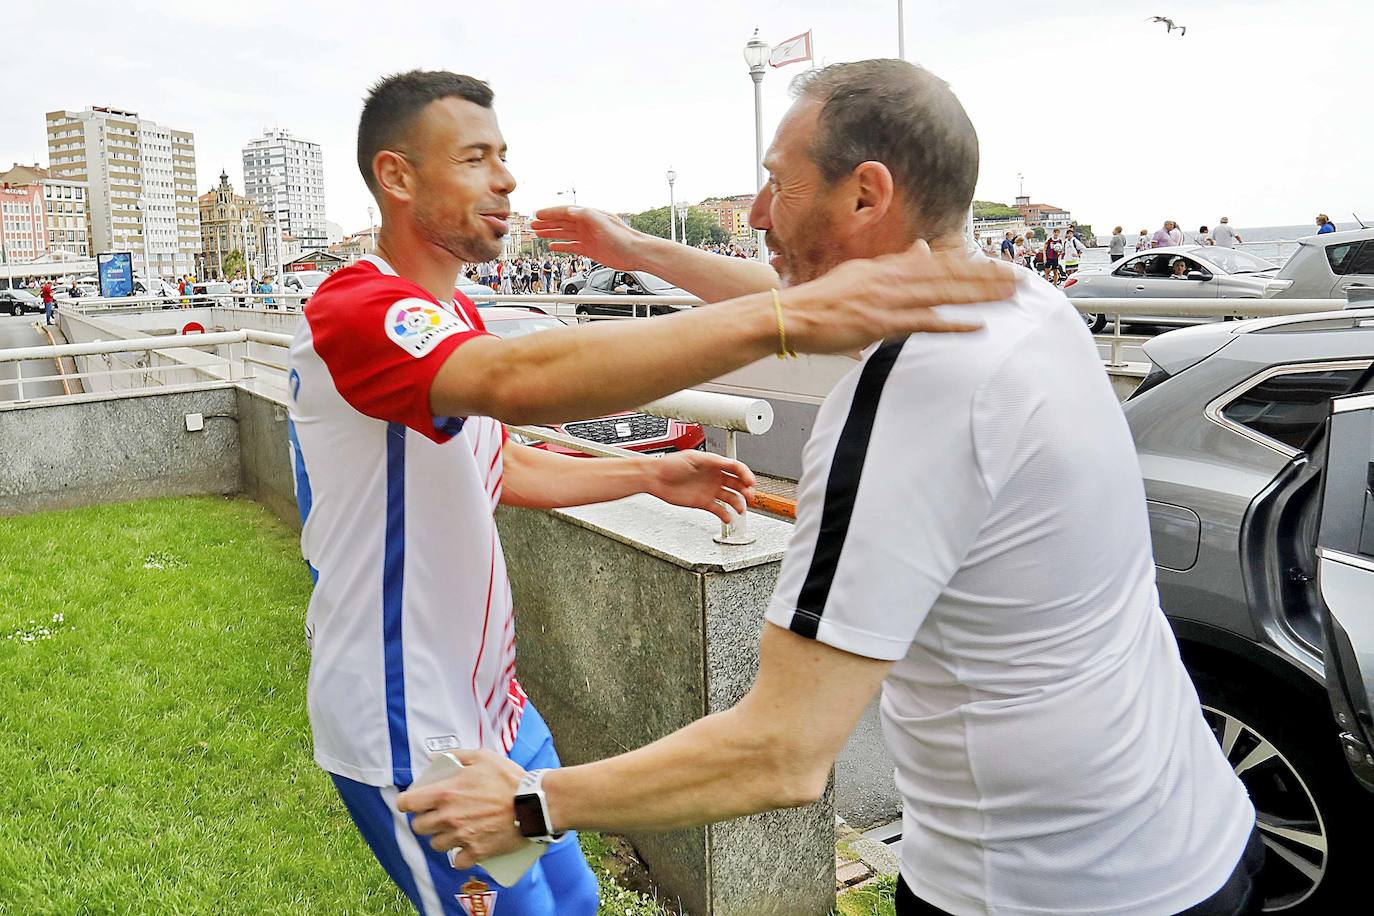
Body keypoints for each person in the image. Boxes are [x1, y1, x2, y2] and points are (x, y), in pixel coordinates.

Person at [401, 59, 1262, 916]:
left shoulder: (914, 393)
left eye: (778, 182)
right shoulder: (1017, 302)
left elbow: (781, 752)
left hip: (1045, 890)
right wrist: (636, 251)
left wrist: (528, 806)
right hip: (1195, 835)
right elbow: (822, 306)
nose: (756, 213)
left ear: (866, 195)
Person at [288, 68, 1010, 916]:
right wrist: (788, 320)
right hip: (406, 718)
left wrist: (648, 474)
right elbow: (523, 380)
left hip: (495, 703)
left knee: (576, 902)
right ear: (397, 177)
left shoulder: (455, 320)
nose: (507, 180)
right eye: (476, 158)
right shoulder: (360, 307)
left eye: (505, 156)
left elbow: (497, 468)